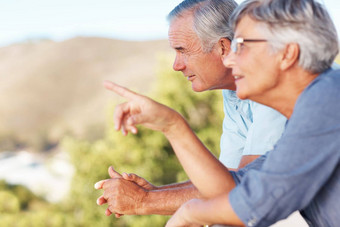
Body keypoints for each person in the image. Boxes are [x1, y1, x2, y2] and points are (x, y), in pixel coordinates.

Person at [100, 0, 340, 226]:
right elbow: (233, 188)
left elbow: (256, 203)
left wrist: (184, 210)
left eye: (242, 46)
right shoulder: (306, 116)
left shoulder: (327, 98)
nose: (230, 58)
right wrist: (171, 125)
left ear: (287, 53)